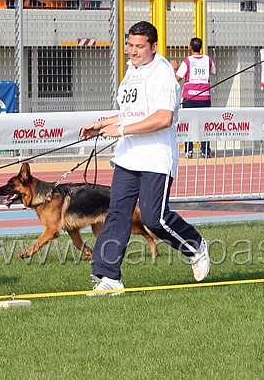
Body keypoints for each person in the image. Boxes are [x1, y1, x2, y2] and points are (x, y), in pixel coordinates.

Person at [80, 21, 211, 295]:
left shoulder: (162, 73)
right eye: (130, 45)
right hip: (128, 157)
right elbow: (131, 112)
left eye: (139, 47)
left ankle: (195, 246)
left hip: (156, 159)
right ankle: (108, 277)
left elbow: (164, 118)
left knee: (155, 219)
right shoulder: (132, 71)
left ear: (153, 47)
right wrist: (102, 123)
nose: (133, 51)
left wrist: (122, 129)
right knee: (116, 214)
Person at [175, 37, 217, 158]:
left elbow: (178, 78)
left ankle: (189, 150)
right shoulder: (207, 59)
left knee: (188, 124)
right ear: (201, 47)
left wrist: (174, 68)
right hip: (205, 97)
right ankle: (205, 150)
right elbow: (213, 71)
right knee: (205, 124)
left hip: (190, 97)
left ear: (190, 47)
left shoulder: (187, 61)